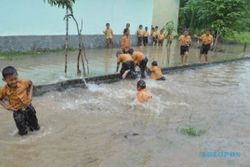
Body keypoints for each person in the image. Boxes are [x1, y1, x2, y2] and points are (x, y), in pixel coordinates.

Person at [0, 66, 40, 136]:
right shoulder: (4, 90)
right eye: (10, 80)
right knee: (22, 132)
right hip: (17, 111)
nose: (14, 81)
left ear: (17, 75)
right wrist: (6, 107)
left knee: (35, 127)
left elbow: (31, 84)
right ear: (4, 80)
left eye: (15, 78)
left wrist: (30, 95)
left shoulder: (23, 83)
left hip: (28, 107)